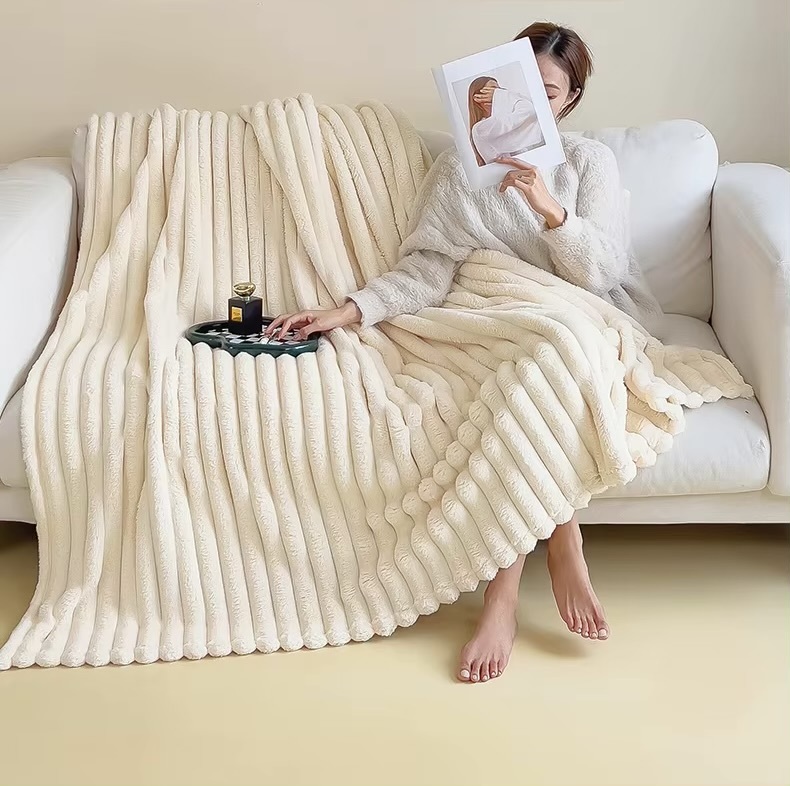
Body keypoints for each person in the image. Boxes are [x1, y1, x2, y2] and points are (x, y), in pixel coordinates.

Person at [266, 22, 662, 683]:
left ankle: (504, 594)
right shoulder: (458, 168)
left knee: (554, 349)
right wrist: (349, 310)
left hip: (578, 310)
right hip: (491, 308)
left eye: (549, 92)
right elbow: (428, 268)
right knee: (535, 359)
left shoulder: (587, 161)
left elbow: (602, 273)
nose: (532, 103)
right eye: (520, 88)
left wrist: (549, 209)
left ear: (569, 100)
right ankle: (562, 536)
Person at [467, 76, 545, 166]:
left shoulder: (504, 121)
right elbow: (530, 111)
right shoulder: (481, 129)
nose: (497, 93)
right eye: (493, 90)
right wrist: (504, 95)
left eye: (499, 91)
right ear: (478, 97)